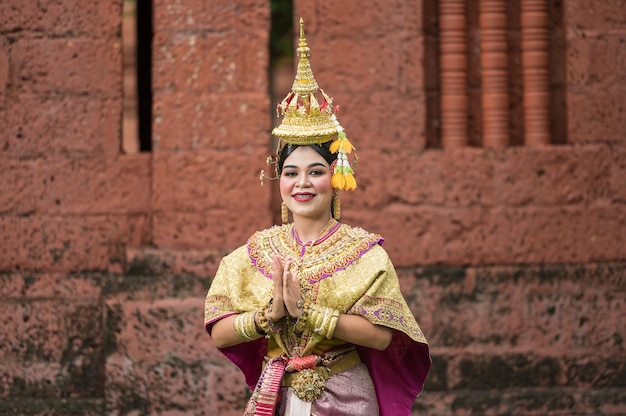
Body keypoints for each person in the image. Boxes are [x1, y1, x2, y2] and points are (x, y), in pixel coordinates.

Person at [204, 19, 430, 416]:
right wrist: (267, 317)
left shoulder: (364, 252)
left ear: (336, 177)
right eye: (291, 173)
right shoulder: (254, 253)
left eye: (315, 171)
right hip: (275, 395)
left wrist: (312, 315)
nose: (302, 183)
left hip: (346, 395)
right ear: (278, 179)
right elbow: (220, 332)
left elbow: (381, 337)